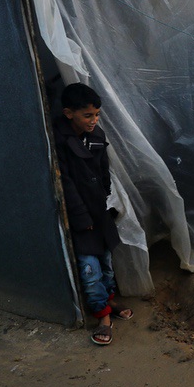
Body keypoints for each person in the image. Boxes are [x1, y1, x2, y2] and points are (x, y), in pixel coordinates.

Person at [54, 83, 128, 346]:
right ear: (68, 113)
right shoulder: (59, 141)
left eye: (97, 114)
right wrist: (81, 217)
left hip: (99, 210)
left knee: (106, 262)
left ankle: (109, 302)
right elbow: (64, 183)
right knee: (89, 268)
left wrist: (108, 200)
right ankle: (102, 317)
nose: (94, 120)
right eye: (87, 115)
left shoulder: (96, 134)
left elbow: (104, 171)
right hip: (80, 215)